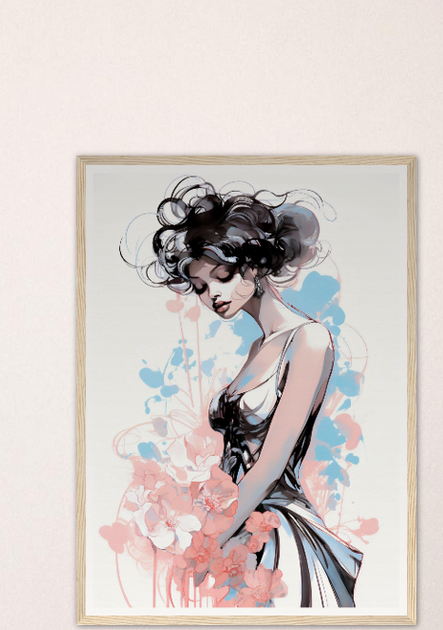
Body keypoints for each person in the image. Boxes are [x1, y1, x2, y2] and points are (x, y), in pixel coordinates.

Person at [138, 177, 362, 607]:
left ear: (255, 266)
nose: (212, 296)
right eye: (201, 288)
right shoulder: (260, 347)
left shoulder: (309, 340)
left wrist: (209, 539)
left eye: (222, 276)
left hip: (273, 529)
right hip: (232, 524)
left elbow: (271, 463)